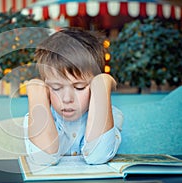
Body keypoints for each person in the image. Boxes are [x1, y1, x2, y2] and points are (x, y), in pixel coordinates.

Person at [23, 27, 123, 166]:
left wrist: (101, 84)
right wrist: (36, 93)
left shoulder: (112, 115)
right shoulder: (35, 116)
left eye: (79, 87)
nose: (67, 99)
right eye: (56, 88)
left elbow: (98, 156)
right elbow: (43, 158)